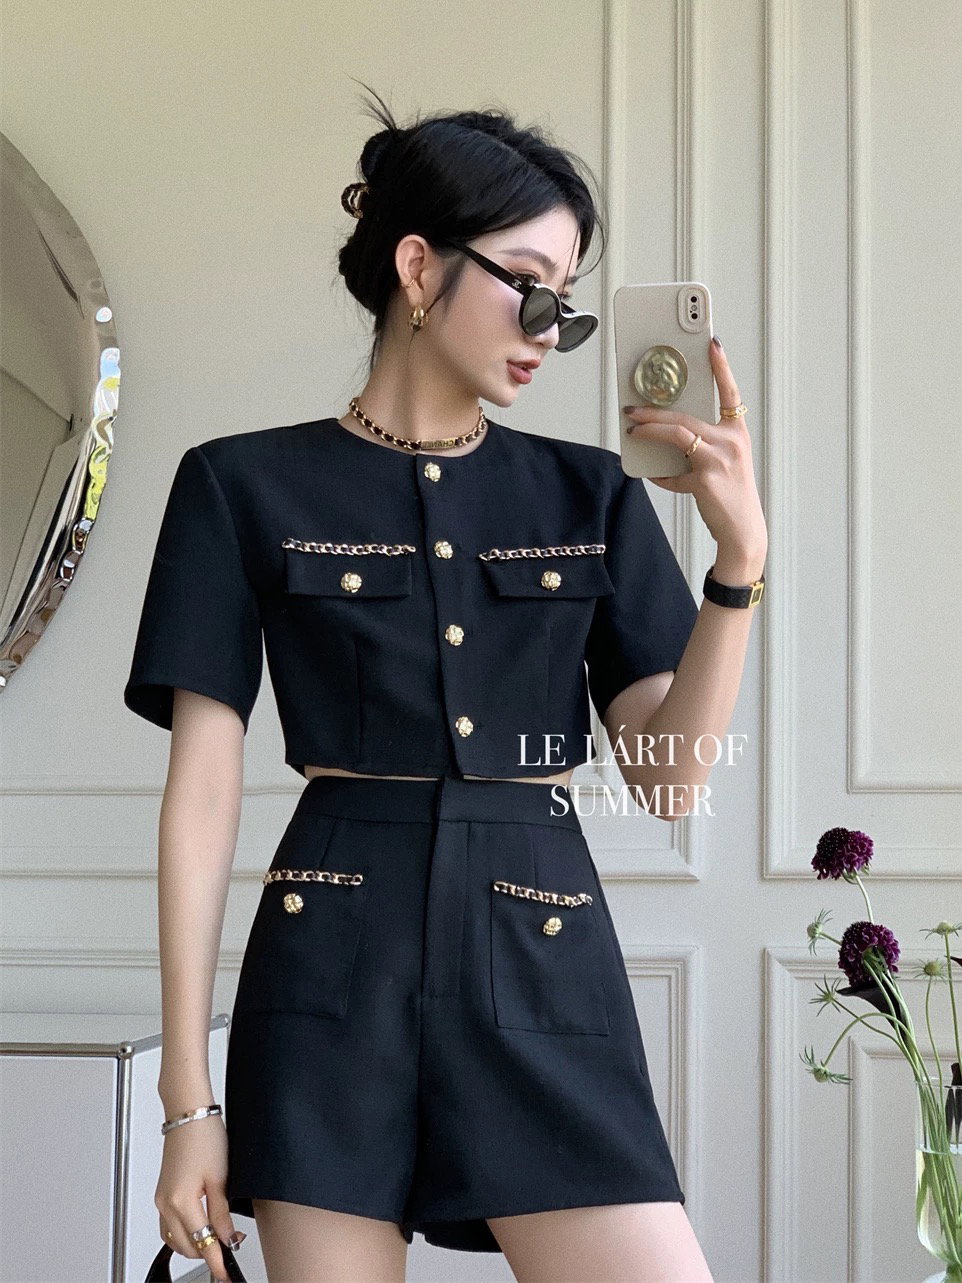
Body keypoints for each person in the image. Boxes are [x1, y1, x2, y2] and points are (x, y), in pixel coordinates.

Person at [124, 83, 766, 1283]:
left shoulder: (591, 494)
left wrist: (736, 565)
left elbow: (670, 782)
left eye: (565, 304)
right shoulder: (238, 485)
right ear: (418, 267)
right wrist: (187, 1103)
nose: (547, 328)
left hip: (540, 955)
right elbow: (201, 798)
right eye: (528, 285)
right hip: (328, 971)